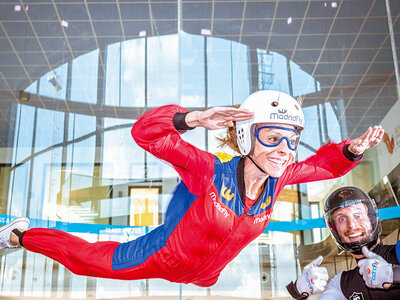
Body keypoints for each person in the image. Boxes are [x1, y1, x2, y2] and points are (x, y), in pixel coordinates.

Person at [0, 90, 384, 287]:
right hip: (161, 256)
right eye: (272, 138)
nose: (284, 151)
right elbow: (145, 135)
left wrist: (351, 150)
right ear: (247, 138)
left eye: (292, 141)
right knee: (86, 261)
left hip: (206, 274)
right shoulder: (208, 170)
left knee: (208, 277)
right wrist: (192, 118)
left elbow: (320, 166)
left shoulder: (279, 178)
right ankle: (20, 235)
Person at [286, 186, 400, 300]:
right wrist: (298, 292)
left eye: (358, 215)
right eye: (341, 219)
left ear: (371, 218)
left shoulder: (398, 251)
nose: (352, 225)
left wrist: (394, 274)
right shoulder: (341, 285)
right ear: (334, 229)